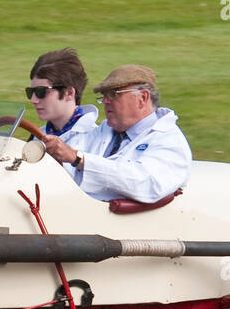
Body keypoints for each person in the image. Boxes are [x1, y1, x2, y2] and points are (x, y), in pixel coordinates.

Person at [43, 65, 192, 204]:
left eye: (114, 94)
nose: (106, 101)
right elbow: (68, 156)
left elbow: (146, 183)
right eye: (104, 96)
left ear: (143, 98)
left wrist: (78, 158)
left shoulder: (168, 140)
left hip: (128, 227)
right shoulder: (103, 131)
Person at [27, 48, 99, 140]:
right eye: (30, 92)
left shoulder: (95, 140)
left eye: (41, 91)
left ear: (69, 93)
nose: (33, 100)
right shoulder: (36, 137)